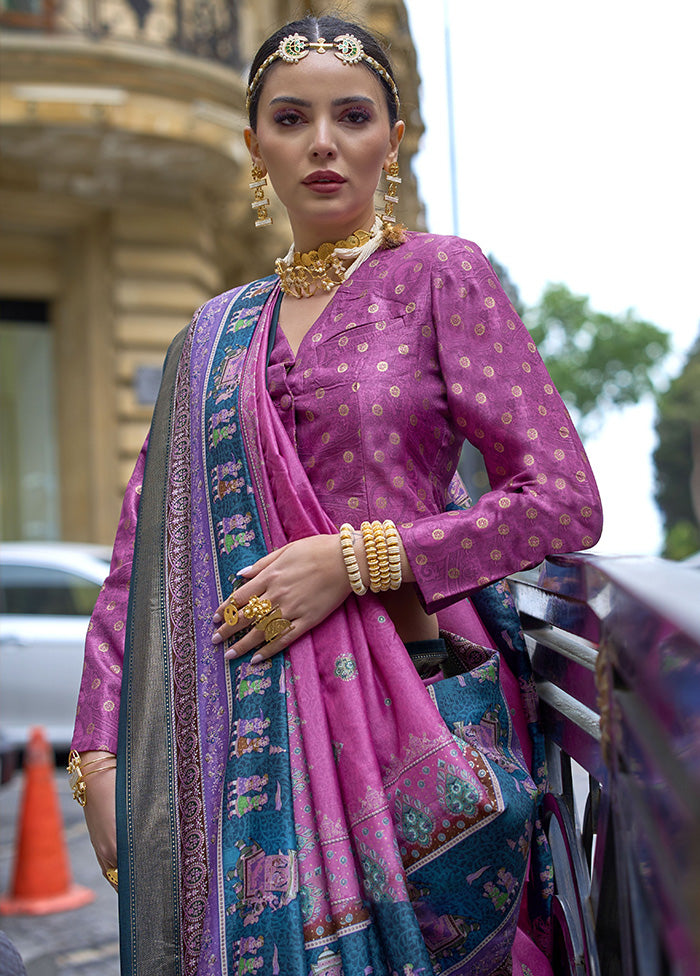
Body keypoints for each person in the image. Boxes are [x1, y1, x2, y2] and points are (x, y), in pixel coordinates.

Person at [70, 14, 602, 976]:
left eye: (352, 116)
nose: (322, 142)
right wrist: (100, 755)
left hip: (416, 703)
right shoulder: (213, 335)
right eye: (291, 118)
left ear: (389, 141)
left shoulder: (442, 277)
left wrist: (361, 559)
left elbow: (563, 500)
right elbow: (136, 562)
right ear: (255, 145)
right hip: (233, 736)